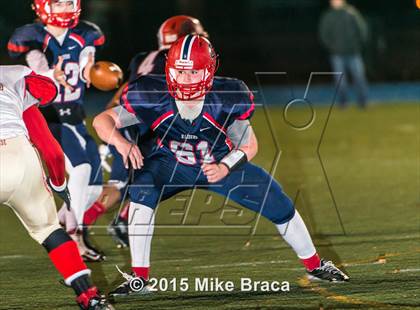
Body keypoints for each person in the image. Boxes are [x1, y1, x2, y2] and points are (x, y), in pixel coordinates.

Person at [93, 35, 350, 297]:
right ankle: (139, 278)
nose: (186, 79)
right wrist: (122, 145)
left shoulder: (228, 96)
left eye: (194, 72)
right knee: (142, 190)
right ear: (169, 70)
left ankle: (315, 265)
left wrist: (226, 167)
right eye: (180, 72)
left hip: (217, 163)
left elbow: (249, 145)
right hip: (170, 162)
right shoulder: (152, 93)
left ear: (208, 72)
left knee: (277, 202)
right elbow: (102, 121)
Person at [86, 15, 208, 248]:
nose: (203, 39)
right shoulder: (176, 61)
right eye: (198, 35)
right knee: (123, 184)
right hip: (137, 124)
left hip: (128, 119)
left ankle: (120, 220)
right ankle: (76, 225)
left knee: (155, 175)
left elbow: (125, 89)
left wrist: (112, 115)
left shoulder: (142, 58)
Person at [0, 65, 113, 309]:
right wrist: (59, 183)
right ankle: (90, 297)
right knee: (50, 230)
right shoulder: (15, 80)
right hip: (18, 157)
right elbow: (51, 151)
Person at [8, 0, 106, 261]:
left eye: (69, 2)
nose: (65, 7)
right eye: (59, 2)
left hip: (75, 117)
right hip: (49, 117)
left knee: (94, 187)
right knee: (82, 168)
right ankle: (75, 236)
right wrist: (51, 74)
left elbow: (87, 60)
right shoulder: (31, 36)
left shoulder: (86, 33)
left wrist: (91, 70)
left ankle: (60, 225)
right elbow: (36, 62)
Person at [319, 0, 369, 108]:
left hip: (353, 52)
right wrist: (332, 47)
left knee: (359, 77)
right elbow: (323, 34)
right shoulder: (328, 16)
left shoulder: (351, 12)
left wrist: (358, 45)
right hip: (337, 54)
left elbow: (362, 29)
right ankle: (343, 103)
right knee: (340, 81)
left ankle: (363, 102)